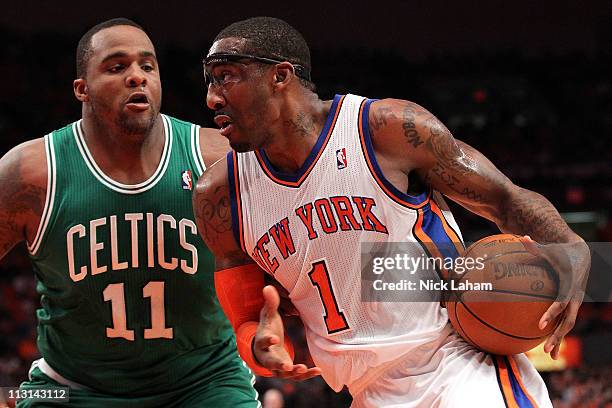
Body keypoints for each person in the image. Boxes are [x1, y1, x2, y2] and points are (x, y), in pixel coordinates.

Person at [194, 16, 590, 408]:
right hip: (364, 391)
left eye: (226, 76)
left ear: (280, 76)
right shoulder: (220, 195)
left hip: (457, 368)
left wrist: (570, 244)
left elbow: (505, 199)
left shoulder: (385, 130)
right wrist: (260, 348)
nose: (212, 98)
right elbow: (247, 321)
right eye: (209, 81)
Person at [0, 18, 259, 407]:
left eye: (147, 66)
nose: (137, 76)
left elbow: (290, 251)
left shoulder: (216, 158)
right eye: (117, 67)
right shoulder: (31, 172)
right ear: (81, 89)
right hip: (70, 387)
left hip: (205, 383)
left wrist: (271, 320)